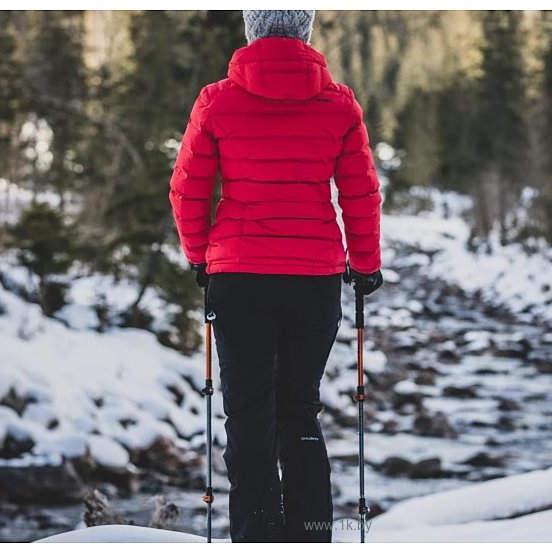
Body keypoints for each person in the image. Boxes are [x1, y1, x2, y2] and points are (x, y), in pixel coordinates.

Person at [168, 10, 383, 543]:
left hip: (238, 277)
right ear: (305, 31)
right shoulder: (338, 104)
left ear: (251, 29)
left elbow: (188, 188)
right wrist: (366, 265)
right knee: (299, 411)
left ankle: (256, 536)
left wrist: (199, 255)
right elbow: (360, 194)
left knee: (247, 414)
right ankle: (311, 535)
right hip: (314, 281)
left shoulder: (217, 100)